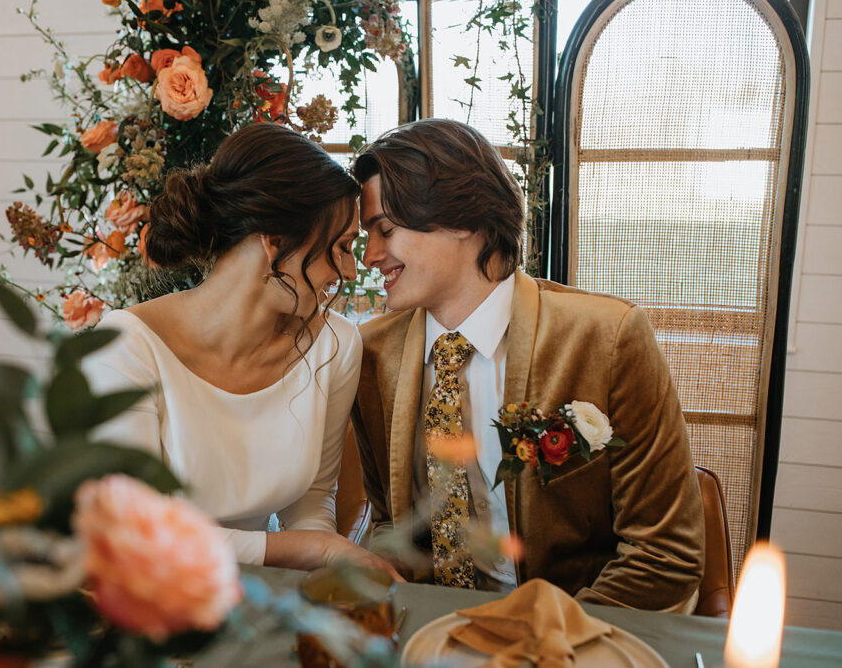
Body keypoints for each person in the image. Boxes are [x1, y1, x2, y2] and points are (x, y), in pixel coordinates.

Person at [349, 119, 703, 610]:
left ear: (462, 219)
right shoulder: (369, 355)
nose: (369, 255)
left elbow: (665, 554)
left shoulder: (607, 338)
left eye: (385, 229)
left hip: (572, 633)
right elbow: (390, 520)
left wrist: (542, 639)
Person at [83, 122, 399, 578]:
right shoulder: (126, 349)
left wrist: (317, 585)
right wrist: (313, 552)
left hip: (260, 602)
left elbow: (312, 502)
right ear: (274, 242)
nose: (350, 271)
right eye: (342, 247)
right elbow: (135, 532)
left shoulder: (336, 345)